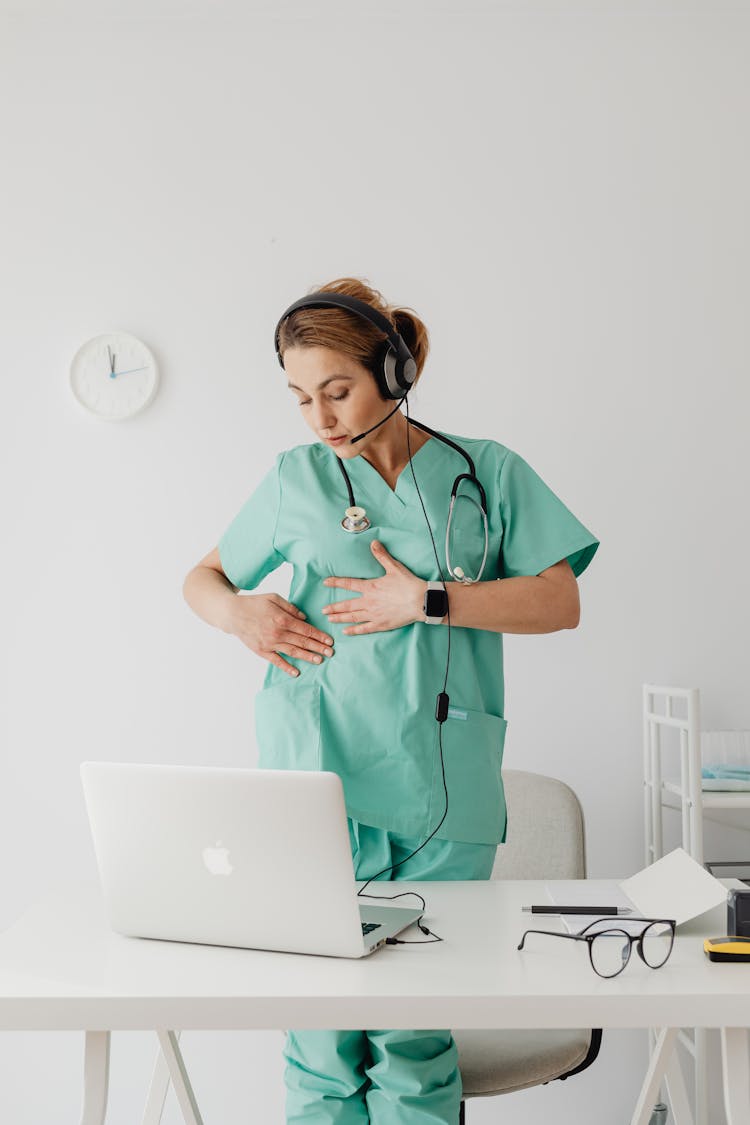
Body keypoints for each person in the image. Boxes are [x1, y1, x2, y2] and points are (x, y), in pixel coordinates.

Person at [182, 276, 600, 1124]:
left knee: (413, 1037)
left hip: (441, 787)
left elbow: (560, 601)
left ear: (394, 371)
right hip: (313, 776)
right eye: (300, 397)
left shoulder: (487, 472)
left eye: (337, 390)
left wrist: (429, 599)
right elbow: (203, 577)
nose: (320, 418)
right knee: (321, 1040)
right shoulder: (294, 478)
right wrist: (238, 612)